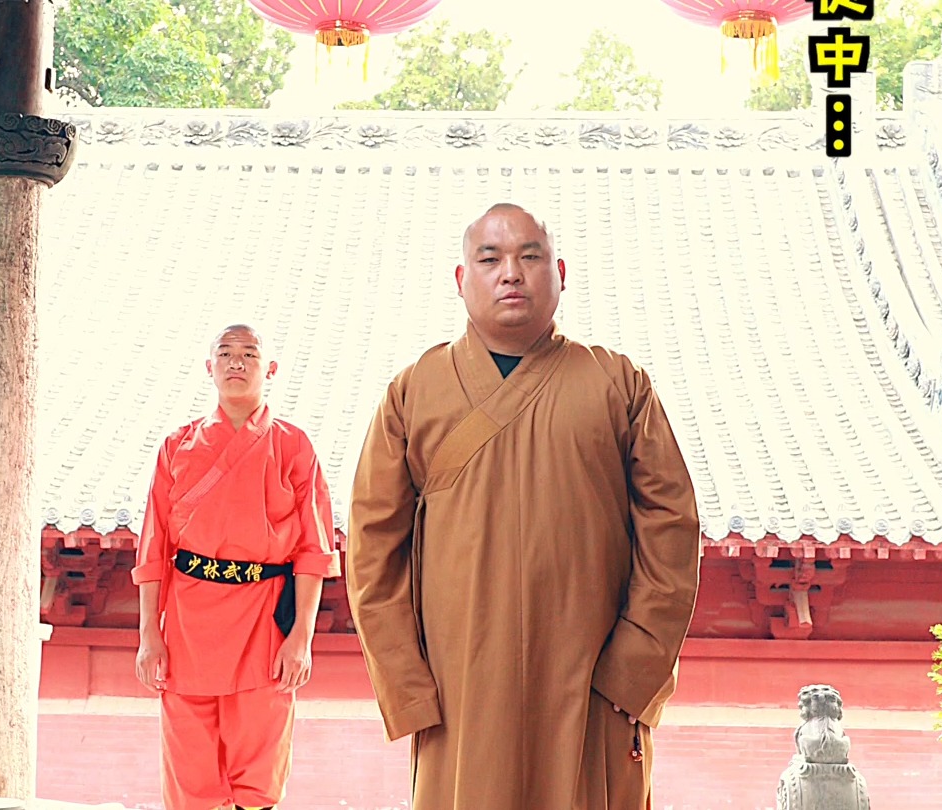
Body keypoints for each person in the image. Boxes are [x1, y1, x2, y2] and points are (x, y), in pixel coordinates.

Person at [346, 203, 701, 809]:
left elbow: (671, 533)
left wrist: (631, 672)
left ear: (558, 273)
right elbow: (373, 549)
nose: (511, 272)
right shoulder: (413, 393)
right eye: (490, 259)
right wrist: (410, 685)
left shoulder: (619, 385)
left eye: (529, 257)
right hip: (458, 697)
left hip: (592, 686)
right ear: (462, 280)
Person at [132, 324, 341, 810]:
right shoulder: (176, 446)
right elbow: (153, 548)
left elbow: (313, 550)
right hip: (188, 622)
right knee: (190, 766)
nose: (236, 363)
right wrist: (149, 632)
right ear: (209, 367)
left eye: (249, 353)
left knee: (260, 759)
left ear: (269, 369)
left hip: (264, 619)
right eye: (225, 353)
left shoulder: (294, 446)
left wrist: (301, 639)